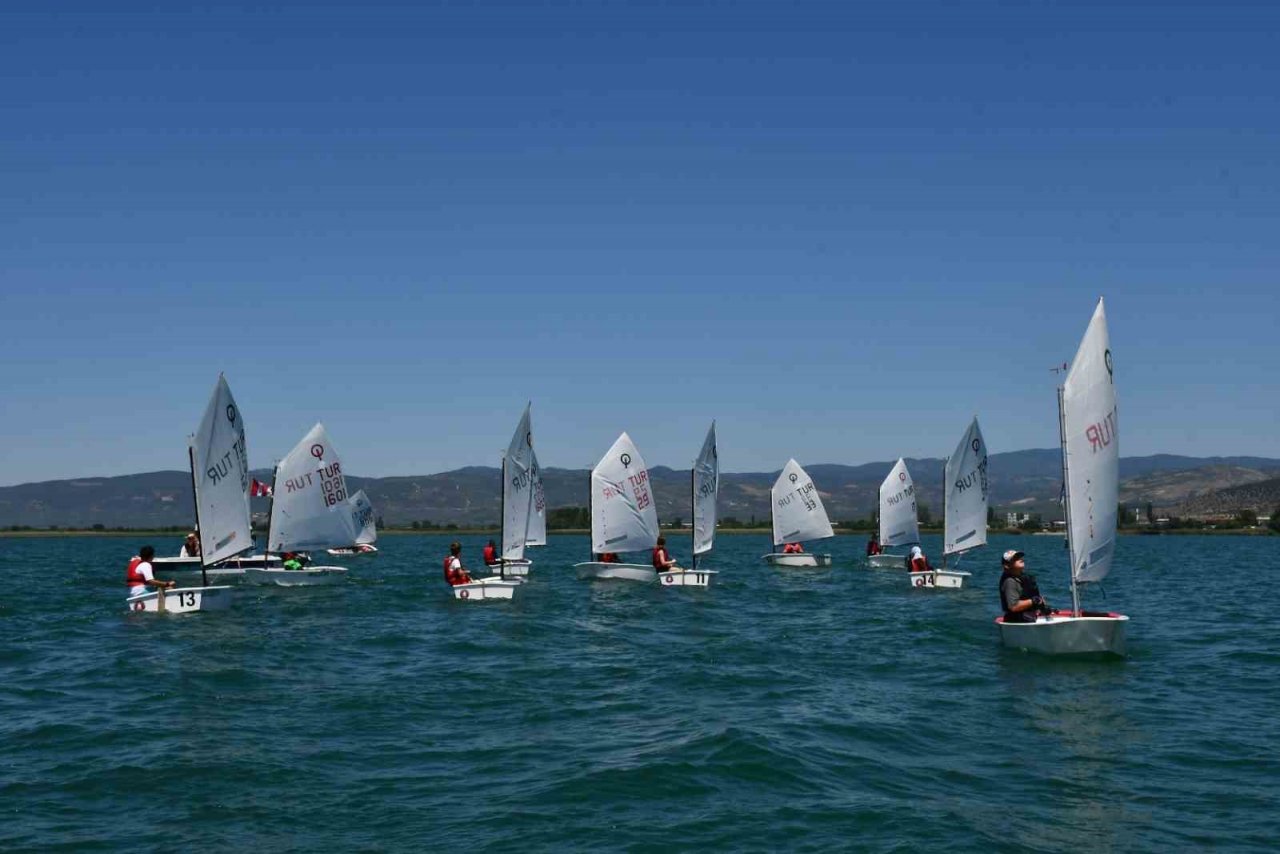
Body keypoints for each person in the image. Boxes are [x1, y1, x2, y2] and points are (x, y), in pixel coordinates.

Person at [999, 550, 1051, 623]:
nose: (1021, 559)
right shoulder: (1009, 582)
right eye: (1015, 559)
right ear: (1007, 565)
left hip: (1029, 618)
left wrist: (1042, 606)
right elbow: (1013, 606)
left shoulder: (1024, 577)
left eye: (1020, 557)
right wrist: (1033, 601)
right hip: (1017, 622)